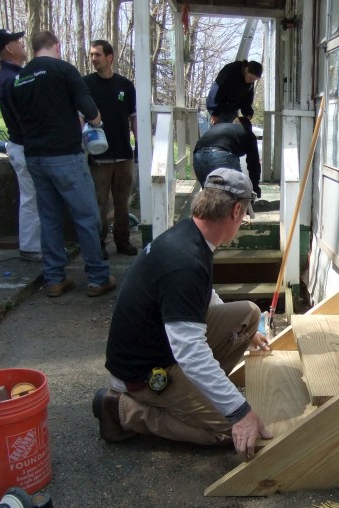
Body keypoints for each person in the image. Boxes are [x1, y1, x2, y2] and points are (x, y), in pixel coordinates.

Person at [94, 169, 272, 461]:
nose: (243, 222)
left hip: (161, 346)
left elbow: (201, 296)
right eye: (244, 216)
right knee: (232, 431)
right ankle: (123, 410)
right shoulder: (185, 262)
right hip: (145, 373)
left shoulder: (191, 236)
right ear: (236, 210)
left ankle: (197, 396)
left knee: (248, 316)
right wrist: (240, 412)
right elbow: (190, 351)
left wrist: (245, 334)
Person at [12, 31, 115, 298]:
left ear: (34, 49)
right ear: (57, 46)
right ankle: (97, 278)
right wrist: (96, 121)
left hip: (34, 156)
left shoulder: (21, 78)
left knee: (49, 219)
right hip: (65, 156)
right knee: (86, 216)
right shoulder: (64, 70)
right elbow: (89, 111)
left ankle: (55, 279)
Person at [0, 29, 42, 263]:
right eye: (17, 42)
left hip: (24, 144)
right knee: (32, 197)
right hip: (24, 145)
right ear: (9, 49)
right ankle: (31, 248)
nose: (22, 45)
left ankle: (37, 245)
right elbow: (24, 115)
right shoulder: (12, 79)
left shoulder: (14, 75)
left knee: (35, 196)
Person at [84, 39, 138, 259]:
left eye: (97, 55)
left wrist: (141, 146)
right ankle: (98, 244)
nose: (94, 59)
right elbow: (79, 117)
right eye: (91, 55)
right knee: (99, 202)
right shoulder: (85, 84)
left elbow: (134, 117)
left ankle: (123, 241)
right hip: (98, 156)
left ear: (109, 57)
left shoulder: (125, 85)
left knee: (122, 201)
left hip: (124, 154)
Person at [193, 116, 261, 199]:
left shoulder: (221, 127)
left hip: (198, 156)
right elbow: (253, 164)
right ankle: (235, 209)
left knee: (209, 194)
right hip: (221, 155)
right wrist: (255, 186)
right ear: (249, 127)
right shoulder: (248, 133)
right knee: (236, 190)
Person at [206, 60, 262, 125]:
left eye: (254, 80)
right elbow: (216, 89)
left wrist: (248, 113)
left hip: (232, 111)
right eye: (250, 78)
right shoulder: (230, 70)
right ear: (246, 70)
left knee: (232, 133)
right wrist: (214, 112)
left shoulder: (250, 82)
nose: (251, 81)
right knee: (217, 133)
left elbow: (247, 99)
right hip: (219, 110)